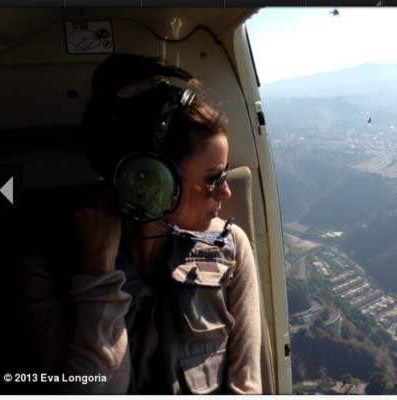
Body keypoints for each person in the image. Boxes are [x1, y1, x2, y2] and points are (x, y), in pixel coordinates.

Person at [19, 53, 262, 394]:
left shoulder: (230, 246)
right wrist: (97, 278)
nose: (225, 191)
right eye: (212, 179)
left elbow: (247, 386)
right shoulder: (49, 267)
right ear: (151, 182)